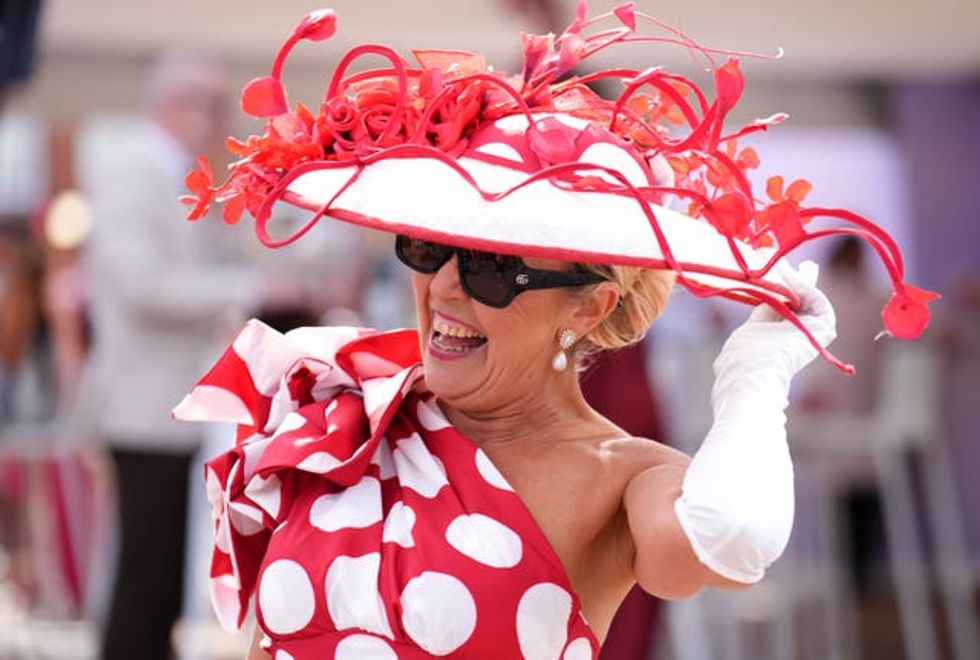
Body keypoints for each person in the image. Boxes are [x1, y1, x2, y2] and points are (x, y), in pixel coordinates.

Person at [173, 5, 934, 658]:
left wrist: (756, 377)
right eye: (429, 246)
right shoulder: (346, 404)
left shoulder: (623, 473)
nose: (439, 287)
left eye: (492, 269)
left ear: (589, 307)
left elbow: (735, 537)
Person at [79, 52, 282, 659]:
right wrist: (250, 291)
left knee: (160, 572)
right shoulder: (134, 168)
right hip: (141, 404)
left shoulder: (170, 171)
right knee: (145, 574)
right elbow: (142, 285)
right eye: (213, 105)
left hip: (167, 404)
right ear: (176, 105)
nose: (219, 121)